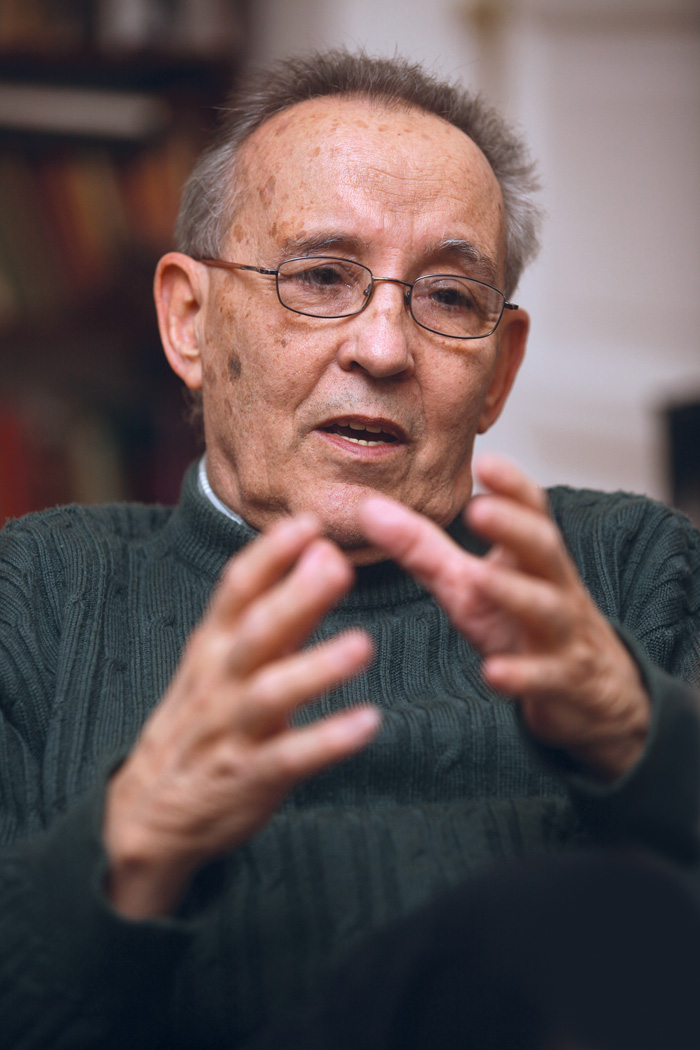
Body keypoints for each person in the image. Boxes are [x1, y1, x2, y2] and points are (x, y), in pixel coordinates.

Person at [1, 49, 700, 1050]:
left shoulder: (632, 571)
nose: (382, 348)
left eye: (448, 297)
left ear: (499, 371)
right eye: (320, 277)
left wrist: (640, 737)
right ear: (190, 321)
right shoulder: (36, 595)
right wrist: (134, 841)